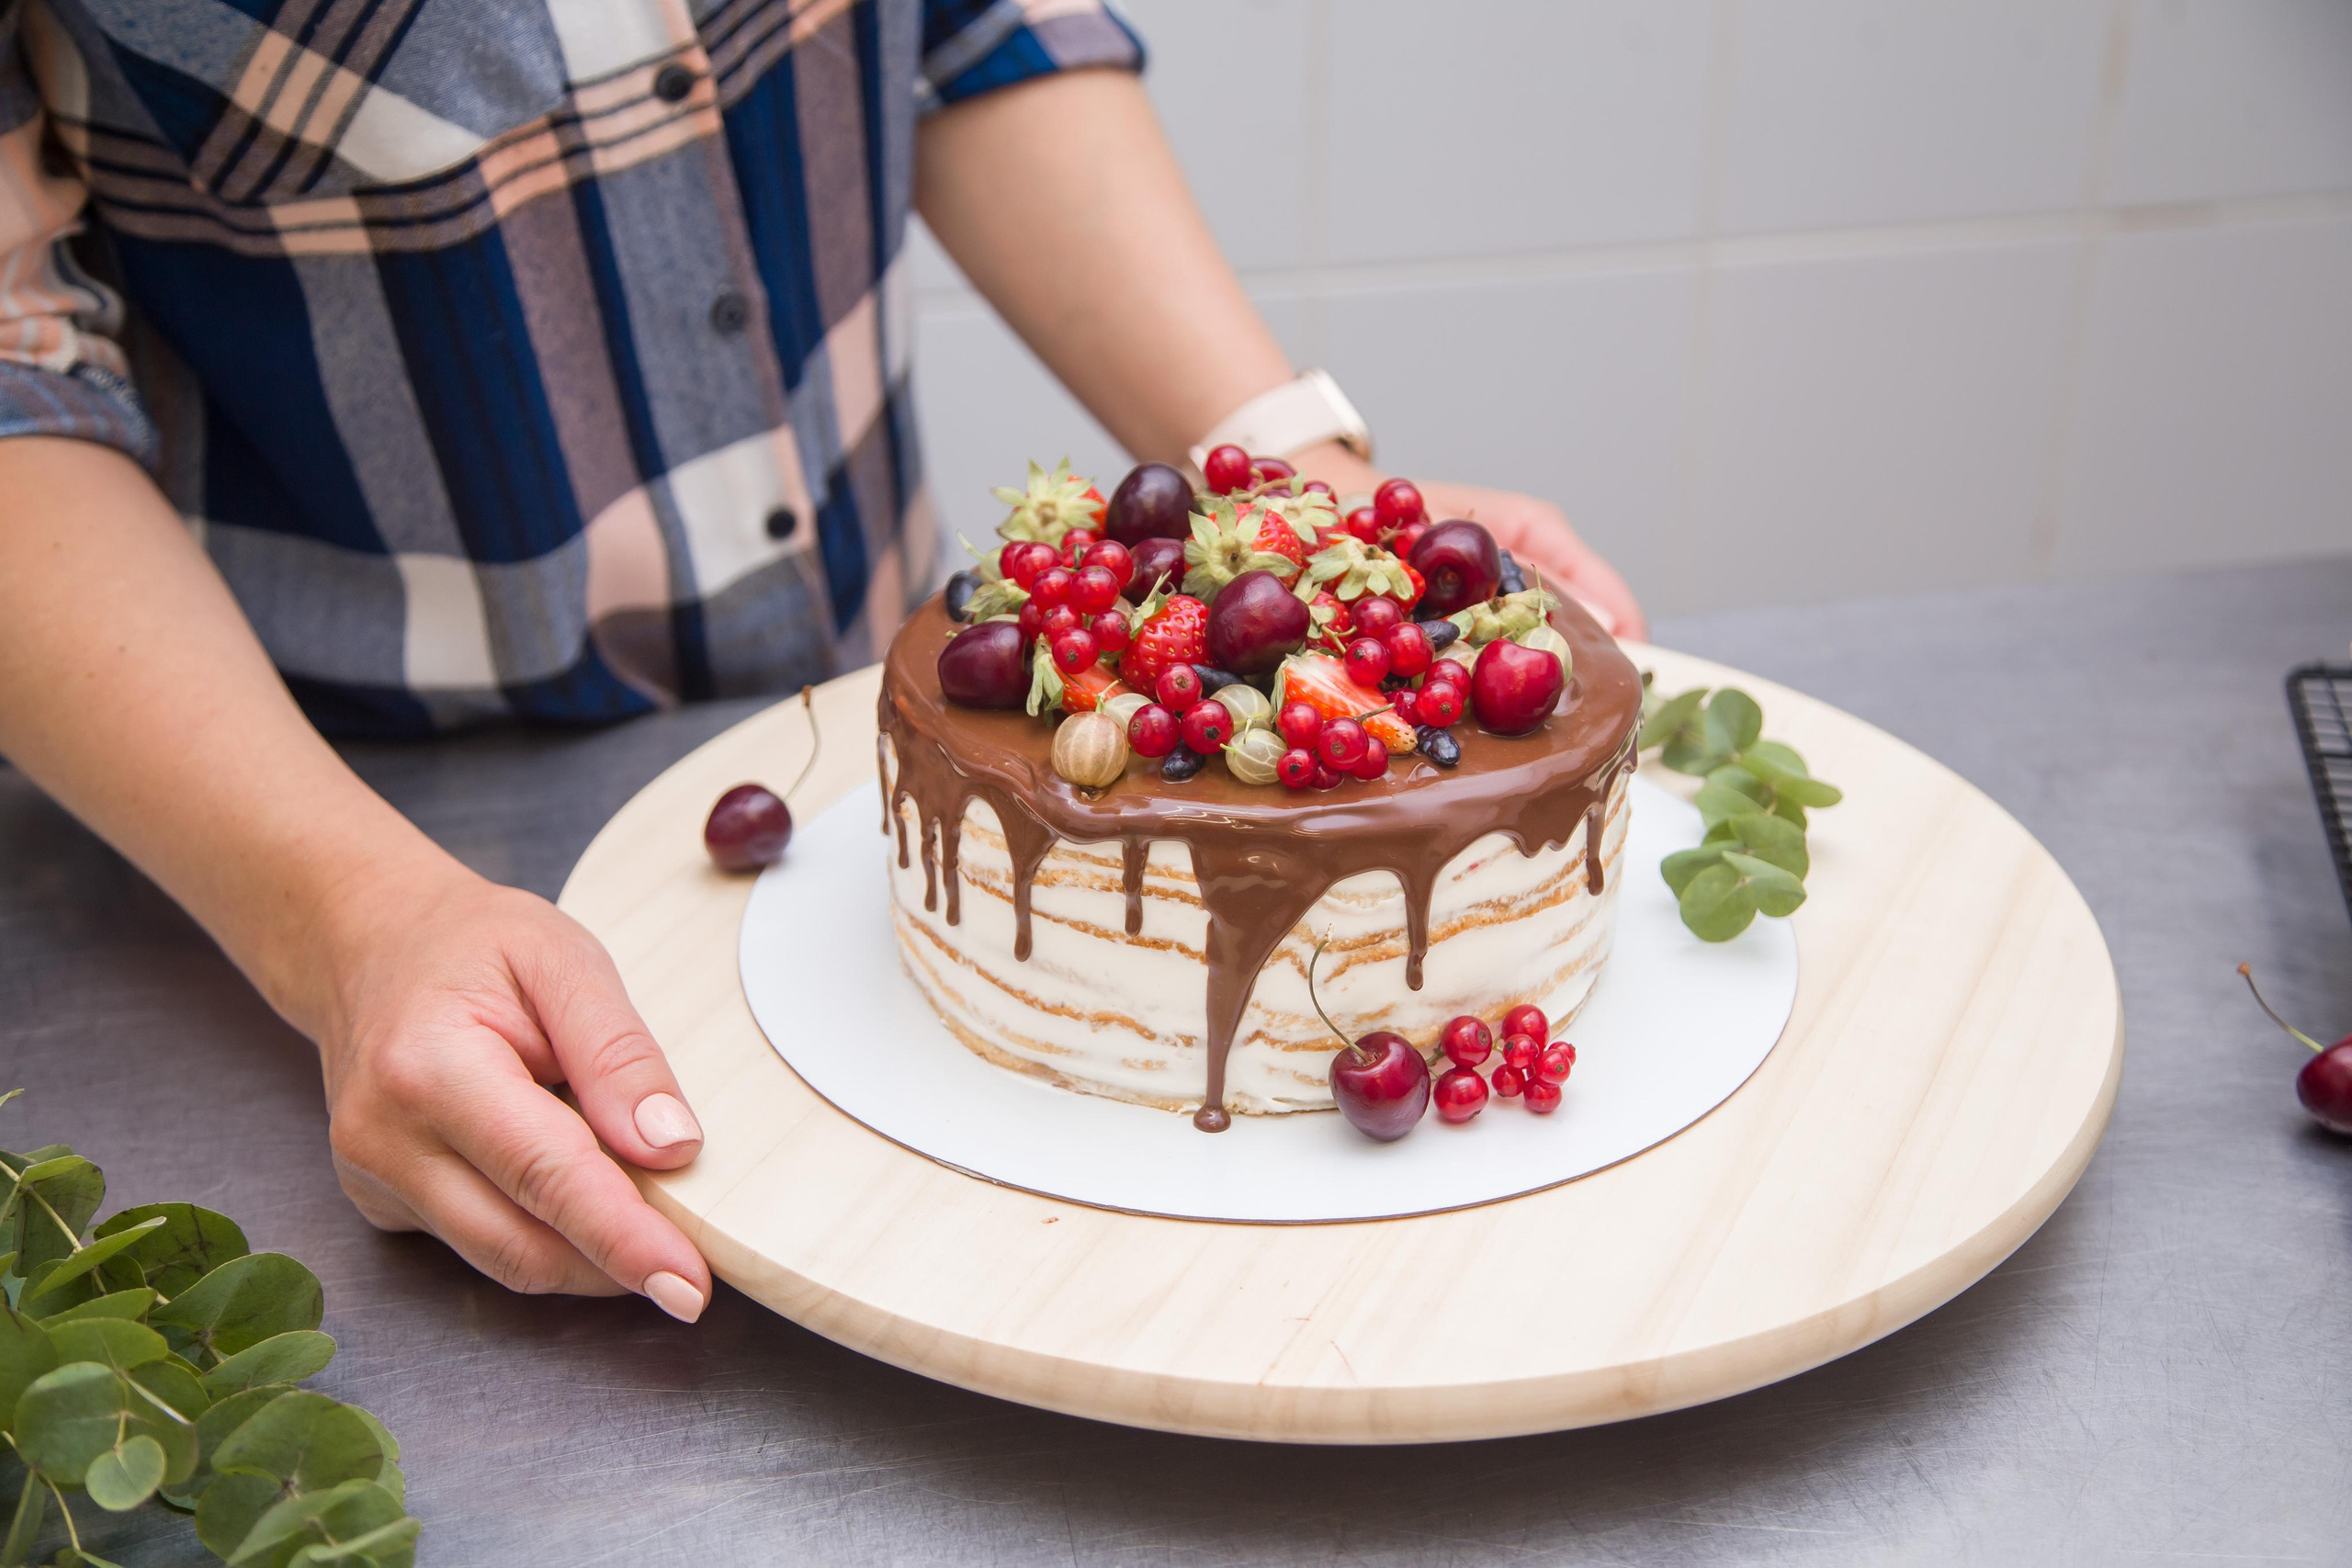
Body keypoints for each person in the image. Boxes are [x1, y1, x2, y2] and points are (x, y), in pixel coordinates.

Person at [0, 1, 1646, 1324]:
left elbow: (962, 25)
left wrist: (1304, 495)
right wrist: (341, 915)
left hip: (880, 680)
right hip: (335, 786)